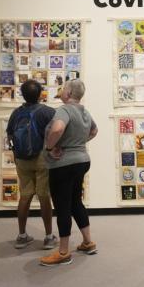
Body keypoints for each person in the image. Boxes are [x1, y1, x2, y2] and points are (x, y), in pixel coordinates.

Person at [39, 78, 98, 266]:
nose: (62, 91)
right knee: (75, 201)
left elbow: (57, 128)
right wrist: (78, 145)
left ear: (69, 93)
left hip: (63, 165)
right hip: (82, 161)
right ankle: (88, 242)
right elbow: (94, 131)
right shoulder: (85, 112)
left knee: (63, 206)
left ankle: (63, 252)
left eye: (64, 88)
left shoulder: (63, 110)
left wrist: (50, 148)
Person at [6, 79, 57, 249]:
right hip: (42, 158)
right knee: (44, 197)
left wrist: (16, 155)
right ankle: (49, 237)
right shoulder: (48, 112)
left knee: (25, 196)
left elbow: (10, 136)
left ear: (23, 94)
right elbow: (58, 132)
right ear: (40, 94)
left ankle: (21, 236)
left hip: (22, 159)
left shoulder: (16, 113)